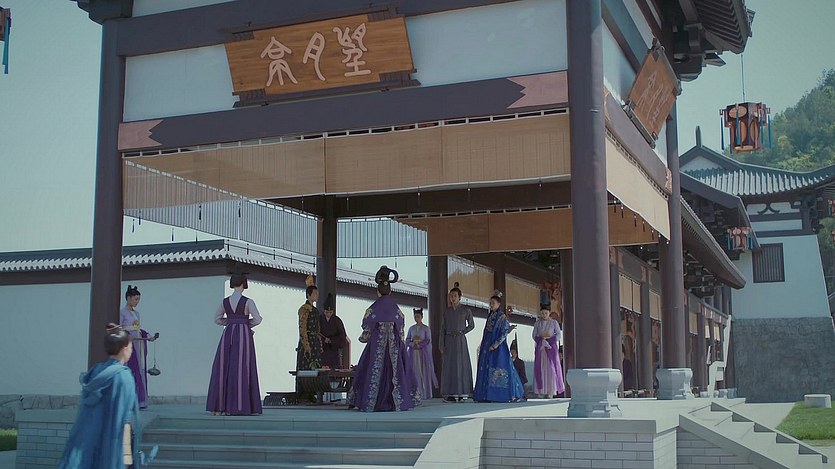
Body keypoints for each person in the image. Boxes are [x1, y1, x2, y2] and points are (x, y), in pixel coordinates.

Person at [58, 324, 139, 469]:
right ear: (124, 348)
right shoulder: (123, 376)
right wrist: (126, 454)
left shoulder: (95, 371)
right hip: (112, 440)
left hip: (87, 436)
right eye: (131, 347)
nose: (131, 351)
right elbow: (123, 418)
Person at [348, 266, 419, 412]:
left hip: (376, 346)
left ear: (378, 291)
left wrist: (364, 338)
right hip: (394, 347)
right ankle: (397, 402)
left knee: (371, 371)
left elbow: (367, 329)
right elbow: (401, 329)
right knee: (396, 372)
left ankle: (371, 402)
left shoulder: (373, 309)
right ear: (390, 292)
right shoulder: (397, 309)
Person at [206, 273, 263, 415]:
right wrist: (245, 323)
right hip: (243, 335)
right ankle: (241, 406)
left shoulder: (225, 302)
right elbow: (257, 319)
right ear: (243, 284)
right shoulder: (248, 302)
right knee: (243, 367)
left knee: (223, 367)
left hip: (228, 334)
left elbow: (217, 319)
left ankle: (220, 407)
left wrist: (231, 322)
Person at [473, 290, 524, 403]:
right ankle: (485, 395)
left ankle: (501, 395)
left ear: (499, 304)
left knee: (499, 368)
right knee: (486, 368)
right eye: (490, 303)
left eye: (493, 303)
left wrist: (495, 345)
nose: (491, 305)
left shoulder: (502, 317)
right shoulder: (490, 316)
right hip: (487, 345)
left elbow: (504, 333)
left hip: (498, 347)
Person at [120, 285, 156, 410]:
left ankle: (140, 400)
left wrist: (148, 336)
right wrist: (127, 335)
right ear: (128, 298)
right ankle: (128, 401)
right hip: (129, 344)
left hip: (139, 343)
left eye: (138, 299)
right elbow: (119, 329)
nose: (137, 302)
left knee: (140, 369)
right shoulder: (122, 312)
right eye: (135, 299)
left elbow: (138, 328)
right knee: (131, 369)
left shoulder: (136, 313)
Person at [439, 282, 475, 402]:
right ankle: (449, 393)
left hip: (460, 340)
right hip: (449, 340)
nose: (453, 298)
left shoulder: (465, 310)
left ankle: (462, 392)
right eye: (451, 296)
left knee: (461, 365)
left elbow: (471, 325)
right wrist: (441, 344)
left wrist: (463, 331)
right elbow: (442, 329)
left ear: (459, 297)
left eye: (455, 296)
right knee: (449, 366)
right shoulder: (447, 312)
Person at [532, 304, 565, 398]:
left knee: (551, 368)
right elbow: (534, 335)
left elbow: (558, 334)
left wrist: (550, 341)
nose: (544, 315)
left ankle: (551, 390)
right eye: (542, 313)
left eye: (546, 313)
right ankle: (541, 390)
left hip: (551, 347)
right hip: (541, 347)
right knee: (541, 367)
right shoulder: (537, 323)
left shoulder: (554, 323)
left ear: (549, 313)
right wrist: (541, 341)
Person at [406, 308, 438, 400]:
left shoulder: (426, 328)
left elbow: (428, 340)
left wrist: (420, 345)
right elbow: (407, 339)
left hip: (423, 353)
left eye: (418, 317)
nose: (416, 318)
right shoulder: (411, 328)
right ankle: (414, 392)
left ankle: (426, 393)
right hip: (413, 353)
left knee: (424, 372)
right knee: (414, 371)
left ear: (422, 317)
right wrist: (412, 344)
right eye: (415, 317)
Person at [319, 293, 347, 369]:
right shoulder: (318, 320)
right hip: (322, 351)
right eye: (326, 312)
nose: (328, 314)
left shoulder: (337, 321)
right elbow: (315, 334)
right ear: (323, 311)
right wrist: (323, 340)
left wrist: (331, 340)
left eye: (330, 312)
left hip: (333, 352)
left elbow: (342, 337)